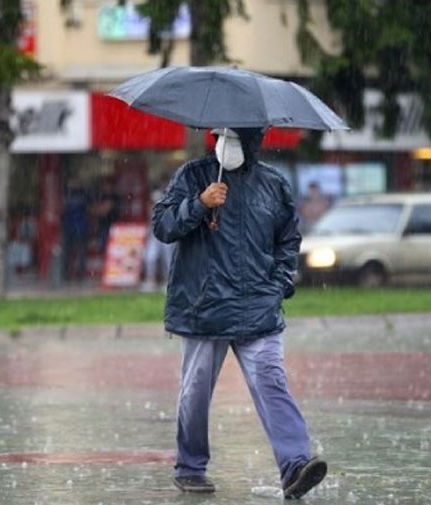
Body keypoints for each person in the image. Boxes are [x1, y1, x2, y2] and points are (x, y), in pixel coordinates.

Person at [151, 127, 327, 499]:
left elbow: (288, 240)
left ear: (254, 141)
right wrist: (199, 203)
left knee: (272, 382)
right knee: (195, 392)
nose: (227, 145)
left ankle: (295, 464)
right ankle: (190, 467)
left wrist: (279, 284)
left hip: (258, 309)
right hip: (204, 308)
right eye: (221, 136)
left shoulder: (273, 185)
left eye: (236, 137)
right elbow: (163, 226)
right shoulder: (192, 176)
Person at [142, 182, 174, 292]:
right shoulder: (150, 211)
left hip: (166, 237)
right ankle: (150, 280)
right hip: (154, 237)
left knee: (168, 260)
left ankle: (169, 282)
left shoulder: (168, 209)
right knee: (150, 257)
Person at [61, 175, 89, 281]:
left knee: (73, 251)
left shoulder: (68, 195)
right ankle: (73, 274)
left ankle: (69, 274)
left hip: (75, 226)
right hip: (76, 226)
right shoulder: (82, 195)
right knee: (73, 251)